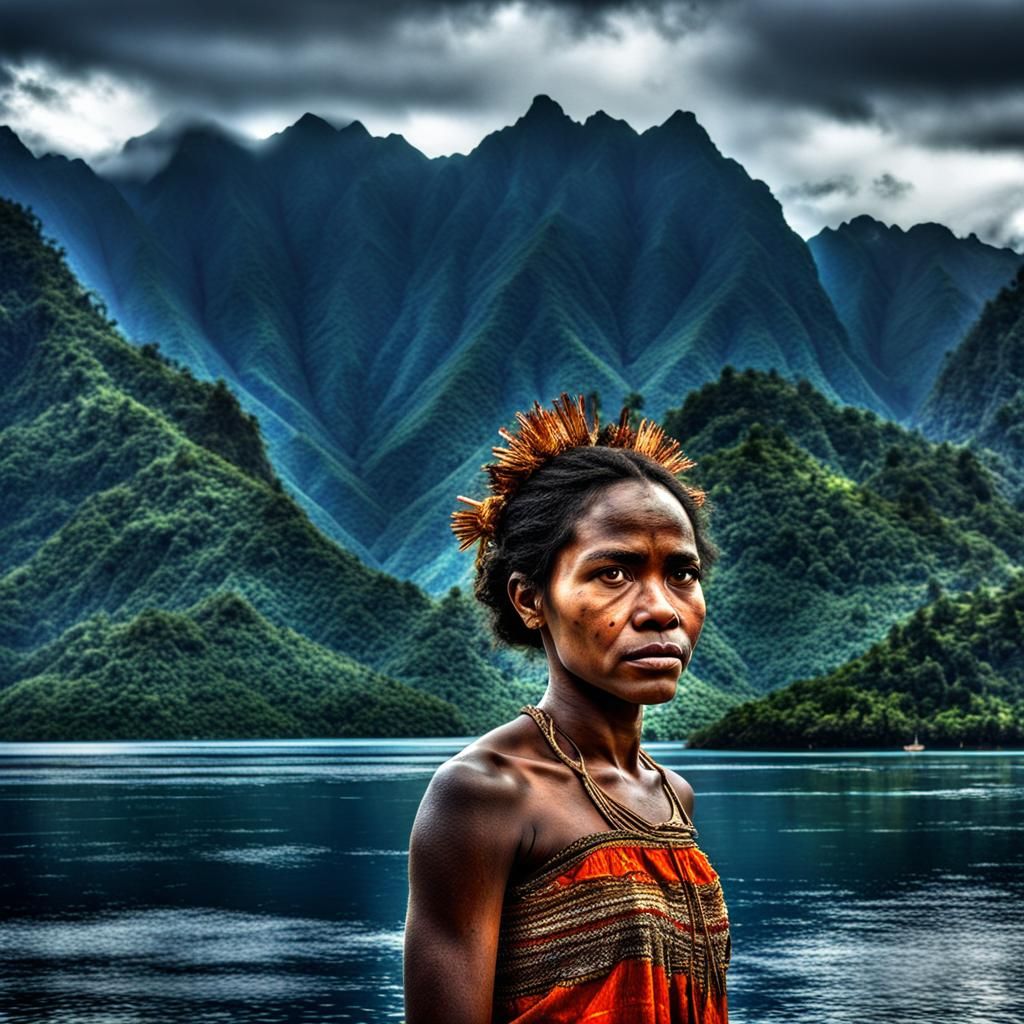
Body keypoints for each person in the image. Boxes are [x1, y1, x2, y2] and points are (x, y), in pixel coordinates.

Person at [404, 394, 730, 1024]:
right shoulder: (484, 794)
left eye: (682, 574)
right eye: (614, 573)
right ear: (530, 599)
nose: (661, 609)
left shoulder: (672, 796)